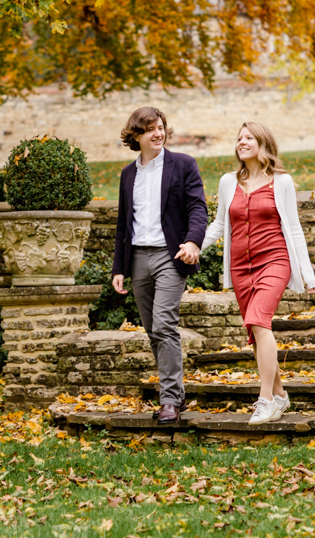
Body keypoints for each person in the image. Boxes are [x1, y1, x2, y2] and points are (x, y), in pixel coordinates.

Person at [201, 122, 315, 425]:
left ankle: (265, 399)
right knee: (255, 332)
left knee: (258, 320)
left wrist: (307, 274)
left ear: (263, 143)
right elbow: (218, 225)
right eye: (239, 138)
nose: (242, 142)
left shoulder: (282, 182)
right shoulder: (228, 182)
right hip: (241, 266)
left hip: (275, 260)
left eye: (248, 137)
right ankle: (280, 394)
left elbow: (293, 228)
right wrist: (193, 246)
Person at [112, 107, 208, 425]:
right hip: (138, 258)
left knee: (164, 324)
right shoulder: (128, 174)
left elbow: (197, 206)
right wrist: (119, 269)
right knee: (153, 331)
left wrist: (194, 241)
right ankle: (174, 393)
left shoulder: (183, 164)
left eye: (161, 126)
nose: (158, 133)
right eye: (150, 128)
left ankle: (169, 400)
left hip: (171, 255)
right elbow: (123, 224)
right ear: (136, 135)